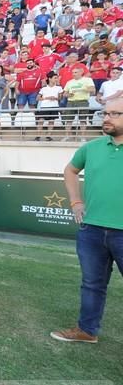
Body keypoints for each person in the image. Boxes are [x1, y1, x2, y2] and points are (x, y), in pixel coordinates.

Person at [51, 100, 123, 343]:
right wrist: (75, 202)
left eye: (115, 114)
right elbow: (70, 170)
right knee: (92, 283)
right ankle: (87, 330)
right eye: (105, 113)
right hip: (91, 229)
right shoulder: (91, 147)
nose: (107, 118)